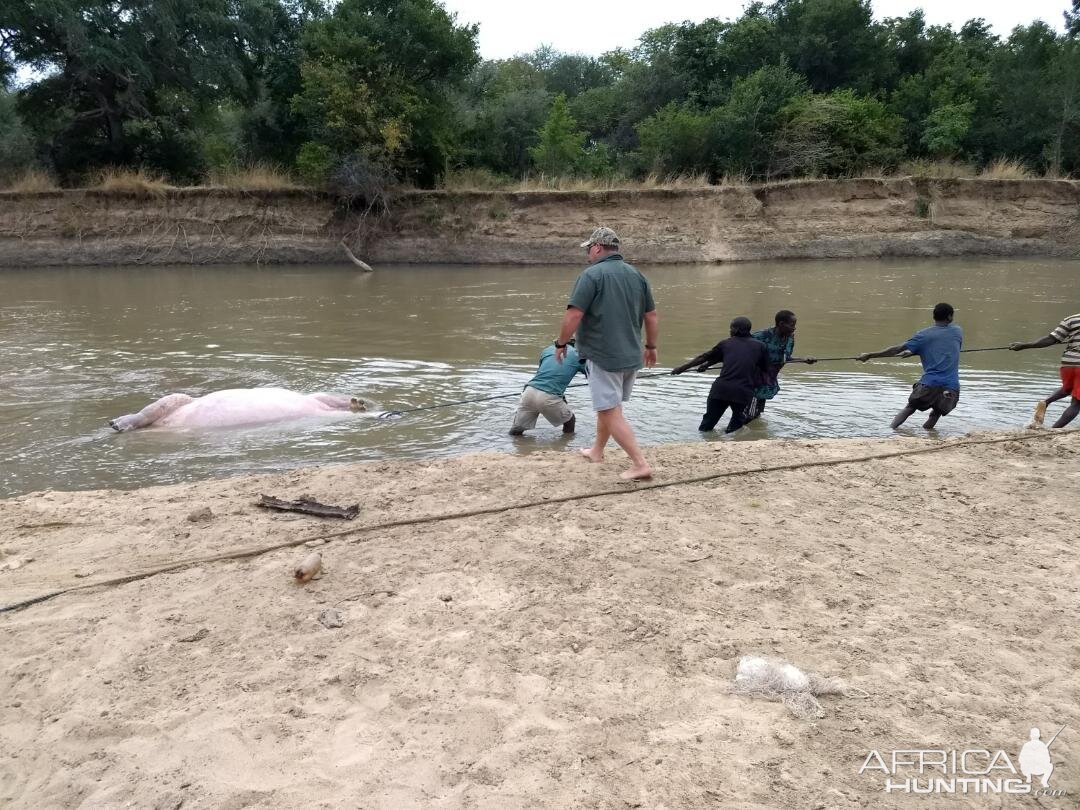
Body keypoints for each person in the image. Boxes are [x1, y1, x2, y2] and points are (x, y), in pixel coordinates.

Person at [554, 226, 658, 480]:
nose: (588, 253)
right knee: (611, 407)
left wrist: (561, 343)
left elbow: (574, 314)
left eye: (589, 248)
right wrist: (651, 347)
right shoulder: (637, 275)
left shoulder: (592, 275)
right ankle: (597, 451)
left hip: (603, 355)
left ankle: (640, 463)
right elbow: (651, 316)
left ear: (598, 248)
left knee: (608, 410)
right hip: (632, 356)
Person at [857, 302, 962, 430]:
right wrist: (916, 351)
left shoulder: (923, 335)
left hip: (929, 384)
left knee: (910, 408)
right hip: (951, 387)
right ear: (950, 317)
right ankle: (928, 436)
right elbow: (944, 349)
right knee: (936, 413)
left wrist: (869, 355)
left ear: (933, 316)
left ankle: (891, 430)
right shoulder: (957, 331)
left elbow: (897, 349)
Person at [673, 316, 769, 433]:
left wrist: (681, 369)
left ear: (737, 329)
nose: (730, 331)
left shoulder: (726, 343)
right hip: (743, 392)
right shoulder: (761, 346)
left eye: (731, 328)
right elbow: (765, 368)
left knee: (706, 426)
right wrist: (707, 365)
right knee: (735, 428)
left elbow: (704, 357)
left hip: (721, 390)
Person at [1009, 312, 1080, 429]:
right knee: (1077, 403)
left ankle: (1046, 402)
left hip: (1068, 364)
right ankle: (1053, 430)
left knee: (1068, 389)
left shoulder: (1071, 319)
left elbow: (1050, 339)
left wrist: (1025, 345)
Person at [744, 309, 817, 423]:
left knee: (756, 414)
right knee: (748, 415)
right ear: (781, 324)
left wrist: (804, 360)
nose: (794, 328)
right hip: (753, 381)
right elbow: (740, 349)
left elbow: (785, 358)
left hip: (767, 381)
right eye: (792, 325)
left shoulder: (789, 339)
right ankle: (738, 437)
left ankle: (750, 436)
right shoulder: (761, 336)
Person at [509, 341, 586, 436]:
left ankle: (514, 446)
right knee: (570, 420)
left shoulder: (547, 350)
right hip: (549, 396)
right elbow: (592, 375)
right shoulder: (578, 354)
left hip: (529, 391)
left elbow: (543, 374)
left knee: (517, 430)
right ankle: (566, 443)